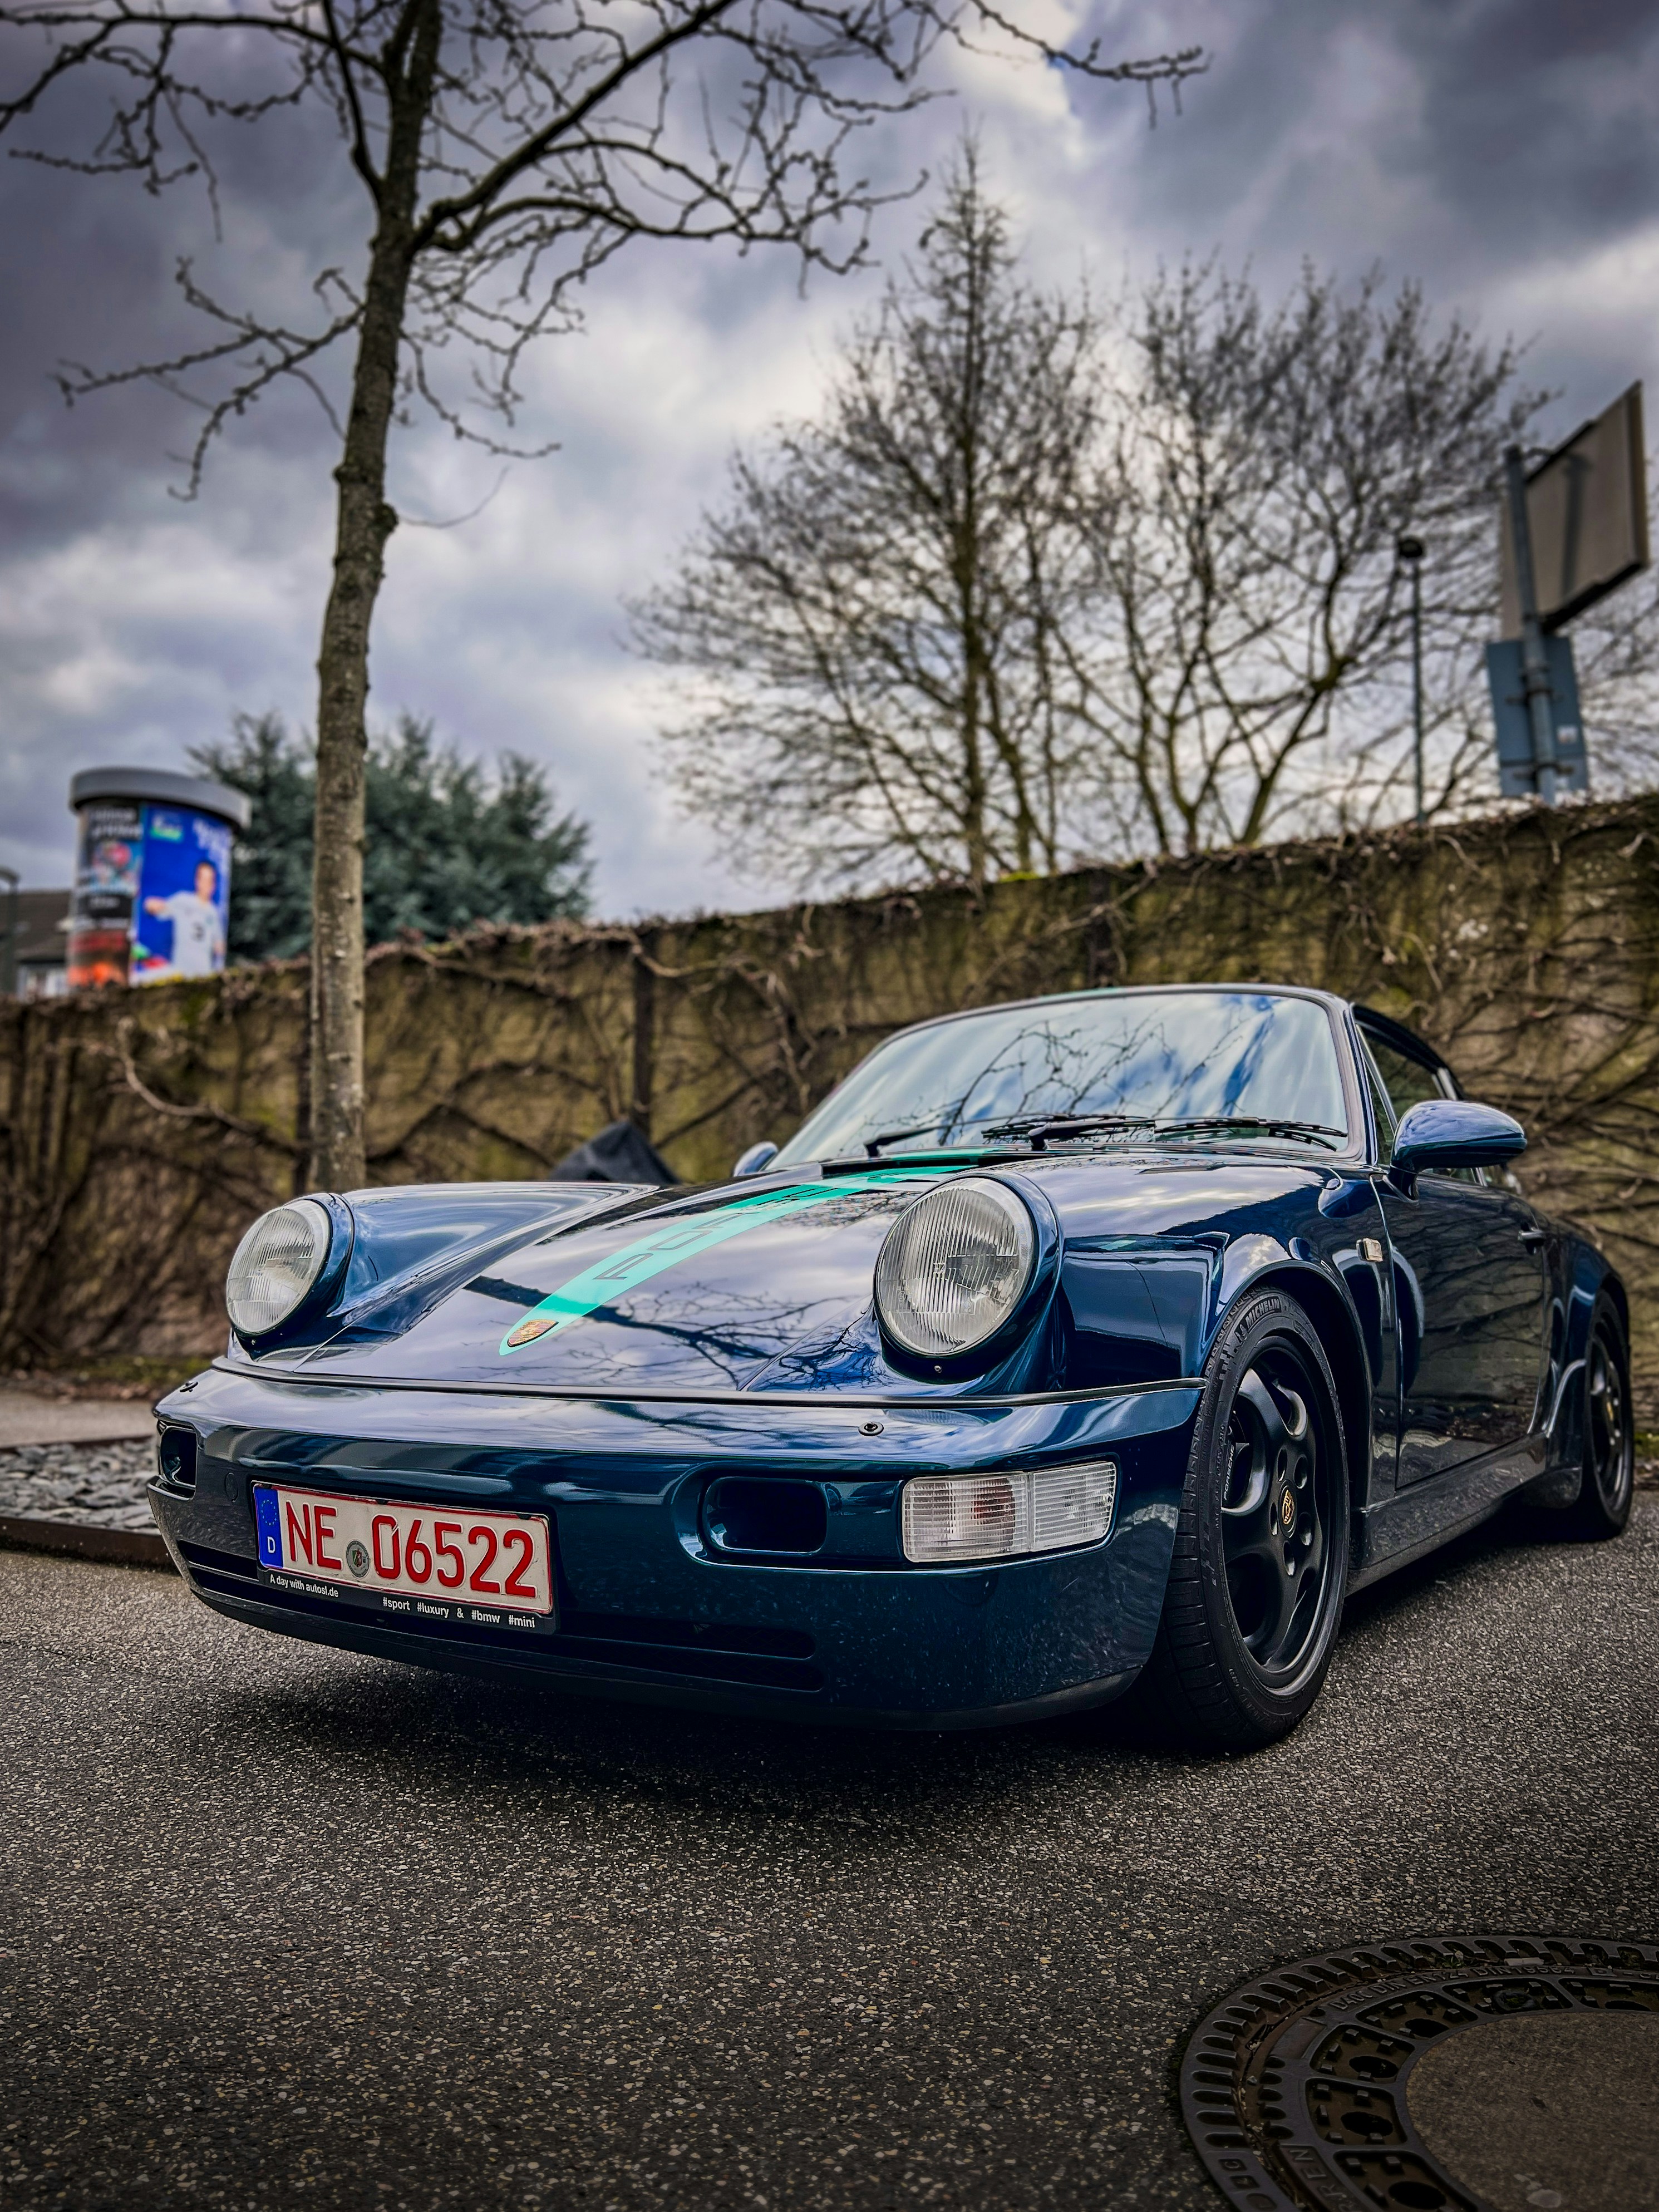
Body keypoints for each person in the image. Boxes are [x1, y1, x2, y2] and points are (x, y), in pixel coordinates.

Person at [144, 859, 226, 978]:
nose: (206, 884)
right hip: (181, 971)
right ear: (197, 881)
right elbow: (156, 908)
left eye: (210, 880)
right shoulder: (183, 900)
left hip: (203, 974)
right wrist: (152, 906)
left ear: (214, 884)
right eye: (203, 879)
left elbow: (219, 944)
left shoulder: (214, 912)